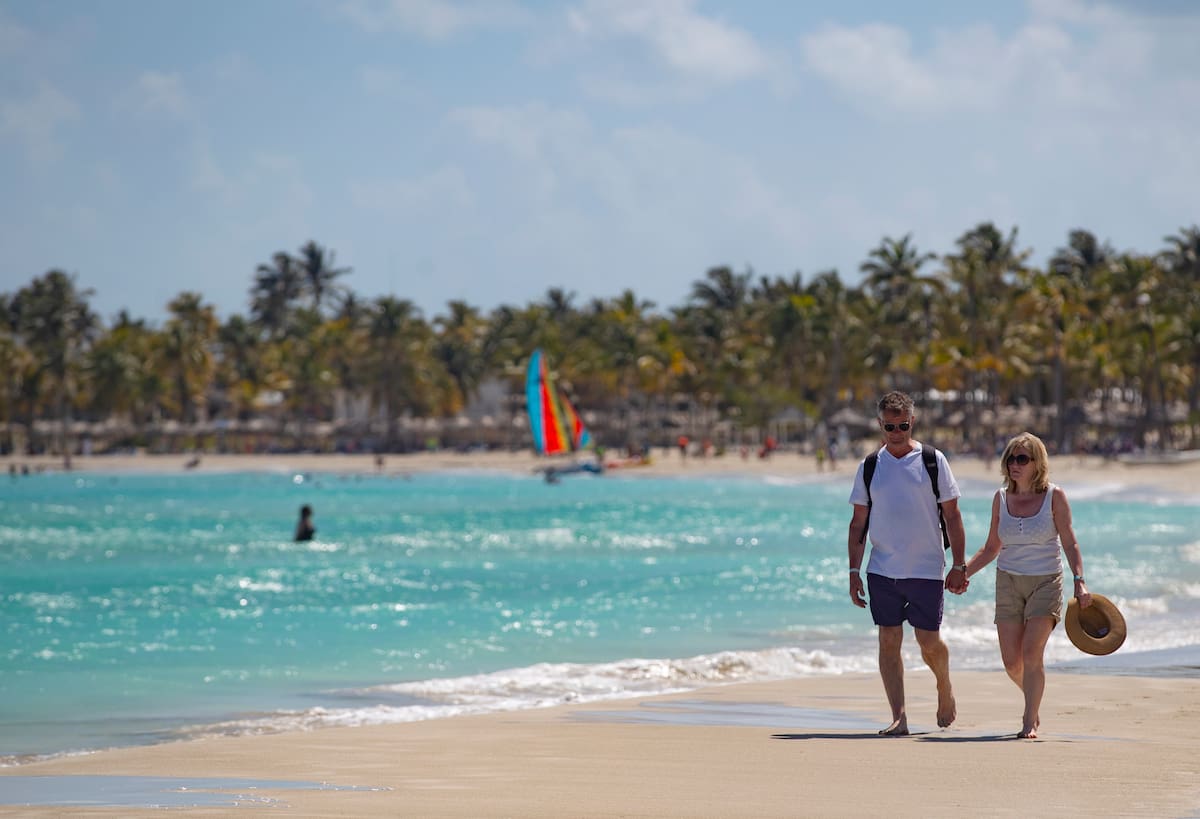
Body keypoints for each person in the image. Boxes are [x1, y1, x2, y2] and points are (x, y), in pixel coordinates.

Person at [847, 391, 968, 735]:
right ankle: (899, 717)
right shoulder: (870, 466)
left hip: (926, 568)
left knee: (928, 641)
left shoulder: (933, 460)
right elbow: (858, 523)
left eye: (903, 425)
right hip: (882, 569)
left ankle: (944, 684)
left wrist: (958, 564)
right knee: (888, 639)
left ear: (912, 422)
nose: (896, 432)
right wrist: (854, 572)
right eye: (890, 426)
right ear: (879, 424)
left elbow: (953, 515)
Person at [960, 432, 1091, 739]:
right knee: (1011, 661)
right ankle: (1033, 696)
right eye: (1011, 458)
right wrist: (961, 573)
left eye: (1022, 458)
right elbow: (991, 547)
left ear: (1037, 463)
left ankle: (1029, 719)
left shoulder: (1054, 497)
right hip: (1007, 581)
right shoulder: (1001, 498)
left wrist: (1080, 581)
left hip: (1046, 581)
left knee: (1032, 654)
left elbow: (1070, 542)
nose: (1014, 464)